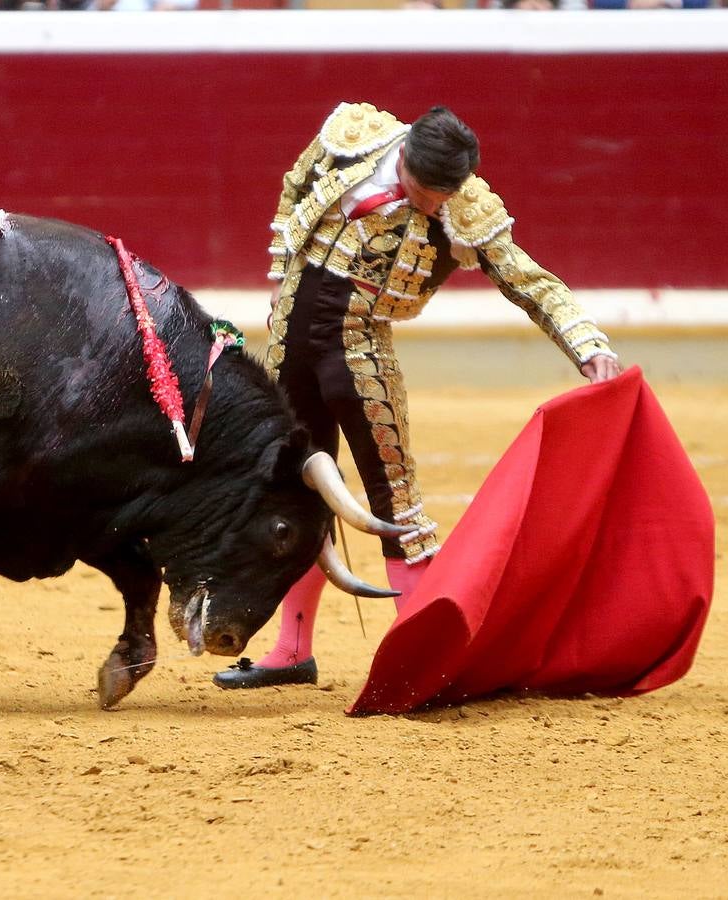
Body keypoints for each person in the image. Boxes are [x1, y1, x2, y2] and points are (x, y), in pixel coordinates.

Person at [214, 102, 621, 689]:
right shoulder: (351, 138)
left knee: (393, 499)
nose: (434, 205)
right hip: (288, 344)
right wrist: (280, 276)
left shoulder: (465, 210)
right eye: (425, 191)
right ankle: (291, 649)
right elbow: (296, 188)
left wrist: (587, 344)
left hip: (358, 353)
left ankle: (426, 663)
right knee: (292, 495)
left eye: (444, 195)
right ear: (401, 156)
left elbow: (529, 281)